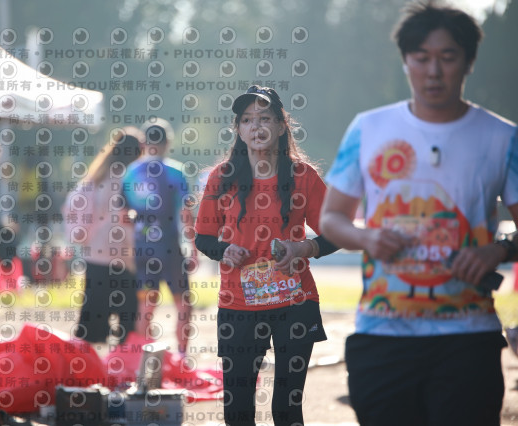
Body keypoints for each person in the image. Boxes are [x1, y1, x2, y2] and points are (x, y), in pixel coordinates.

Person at [319, 3, 518, 426]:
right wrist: (367, 237)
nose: (434, 71)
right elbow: (331, 218)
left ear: (468, 62)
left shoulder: (502, 137)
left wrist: (498, 250)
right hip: (382, 336)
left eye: (447, 57)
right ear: (406, 60)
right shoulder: (368, 129)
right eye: (422, 57)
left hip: (468, 337)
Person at [194, 85, 338, 426]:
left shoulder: (303, 176)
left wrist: (305, 247)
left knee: (287, 409)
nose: (256, 127)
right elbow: (203, 237)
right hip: (238, 306)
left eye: (265, 118)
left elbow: (335, 231)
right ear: (238, 129)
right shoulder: (222, 177)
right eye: (247, 120)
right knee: (238, 410)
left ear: (281, 125)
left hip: (295, 302)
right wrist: (224, 250)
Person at [121, 118, 197, 355]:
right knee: (183, 304)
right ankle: (182, 356)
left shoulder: (130, 173)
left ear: (143, 143)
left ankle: (143, 360)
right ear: (168, 143)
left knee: (146, 305)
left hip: (143, 248)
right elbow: (186, 214)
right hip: (170, 246)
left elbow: (123, 215)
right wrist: (194, 249)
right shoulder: (176, 171)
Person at [62, 127, 143, 343]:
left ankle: (86, 360)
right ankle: (124, 357)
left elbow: (74, 206)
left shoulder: (97, 177)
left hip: (97, 252)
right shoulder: (135, 178)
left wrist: (82, 235)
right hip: (127, 254)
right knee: (128, 317)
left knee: (93, 318)